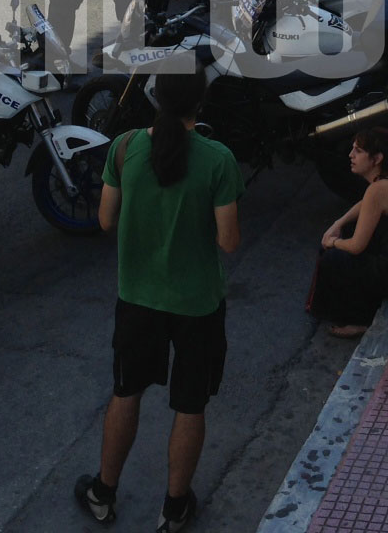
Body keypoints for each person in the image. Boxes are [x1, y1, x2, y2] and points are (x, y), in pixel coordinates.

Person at [76, 70, 242, 532]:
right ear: (201, 103)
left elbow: (106, 221)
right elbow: (229, 242)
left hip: (137, 299)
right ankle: (173, 510)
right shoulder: (218, 159)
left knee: (126, 392)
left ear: (154, 97)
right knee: (190, 405)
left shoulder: (124, 147)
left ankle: (103, 492)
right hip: (198, 304)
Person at [309, 125, 388, 337]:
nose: (351, 155)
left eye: (358, 151)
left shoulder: (378, 190)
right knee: (349, 228)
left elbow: (356, 246)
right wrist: (338, 223)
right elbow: (365, 205)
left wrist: (332, 242)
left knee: (334, 258)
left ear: (376, 159)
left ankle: (360, 320)